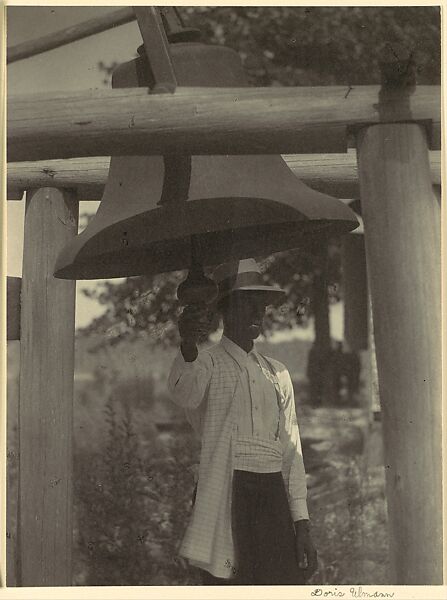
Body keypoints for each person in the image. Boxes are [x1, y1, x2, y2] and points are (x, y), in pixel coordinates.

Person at [167, 258, 317, 585]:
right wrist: (189, 346)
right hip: (227, 491)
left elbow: (291, 451)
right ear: (224, 311)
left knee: (280, 584)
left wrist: (302, 524)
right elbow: (185, 395)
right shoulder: (205, 363)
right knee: (229, 584)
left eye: (260, 307)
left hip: (272, 494)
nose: (255, 315)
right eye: (246, 304)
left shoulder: (276, 372)